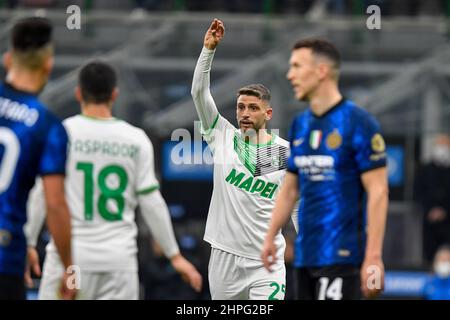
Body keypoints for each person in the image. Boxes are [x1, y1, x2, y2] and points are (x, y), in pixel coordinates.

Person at [25, 61, 202, 300]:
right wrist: (174, 255)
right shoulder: (135, 139)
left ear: (78, 93)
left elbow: (40, 194)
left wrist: (28, 242)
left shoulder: (58, 133)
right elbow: (152, 202)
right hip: (118, 264)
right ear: (114, 94)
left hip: (71, 261)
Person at [262, 38, 389, 300]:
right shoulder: (300, 125)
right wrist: (270, 236)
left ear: (321, 71)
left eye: (297, 66)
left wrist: (374, 256)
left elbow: (378, 191)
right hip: (305, 256)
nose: (290, 75)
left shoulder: (359, 123)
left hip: (343, 256)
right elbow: (289, 189)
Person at [191, 19, 297, 300]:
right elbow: (199, 94)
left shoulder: (285, 154)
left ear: (268, 114)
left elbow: (298, 203)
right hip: (224, 256)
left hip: (267, 260)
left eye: (253, 107)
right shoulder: (222, 136)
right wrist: (208, 51)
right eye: (240, 107)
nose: (245, 113)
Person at [0, 17, 75, 300]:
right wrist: (68, 267)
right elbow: (55, 203)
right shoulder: (48, 126)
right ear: (48, 65)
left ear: (8, 60)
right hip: (6, 256)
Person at [415, 134, 450, 264]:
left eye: (445, 146)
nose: (442, 149)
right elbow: (418, 193)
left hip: (447, 223)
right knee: (428, 256)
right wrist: (430, 210)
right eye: (440, 146)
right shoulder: (425, 169)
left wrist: (444, 211)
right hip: (428, 222)